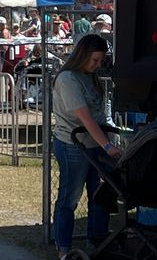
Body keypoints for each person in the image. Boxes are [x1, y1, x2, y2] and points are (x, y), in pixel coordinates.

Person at [52, 34, 119, 256]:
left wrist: (111, 138)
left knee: (99, 197)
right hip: (73, 145)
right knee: (69, 199)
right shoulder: (67, 79)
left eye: (101, 61)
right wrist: (108, 146)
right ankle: (63, 249)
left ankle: (97, 244)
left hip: (95, 145)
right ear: (83, 55)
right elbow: (86, 118)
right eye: (95, 60)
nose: (98, 65)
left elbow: (101, 113)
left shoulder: (91, 77)